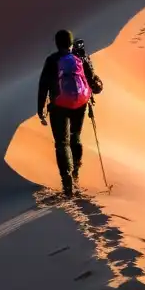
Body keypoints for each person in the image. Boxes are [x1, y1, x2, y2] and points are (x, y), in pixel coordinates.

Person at [37, 29, 103, 197]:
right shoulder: (80, 57)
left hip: (58, 105)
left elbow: (43, 85)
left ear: (57, 43)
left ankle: (67, 185)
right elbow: (92, 80)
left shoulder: (52, 60)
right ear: (71, 42)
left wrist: (40, 109)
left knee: (62, 143)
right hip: (80, 104)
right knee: (75, 136)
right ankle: (76, 174)